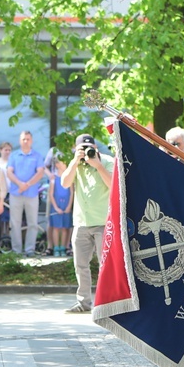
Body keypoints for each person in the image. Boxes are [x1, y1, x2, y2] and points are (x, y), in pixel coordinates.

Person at [60, 134, 113, 313]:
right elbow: (65, 183)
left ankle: (106, 302)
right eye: (82, 148)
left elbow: (114, 185)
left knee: (105, 265)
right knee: (80, 264)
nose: (87, 151)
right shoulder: (76, 164)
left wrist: (97, 165)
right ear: (76, 149)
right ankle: (83, 303)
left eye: (90, 147)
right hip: (81, 222)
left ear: (96, 147)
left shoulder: (105, 161)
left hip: (103, 222)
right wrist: (75, 162)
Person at [7, 131, 45, 256]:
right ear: (20, 140)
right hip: (16, 193)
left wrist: (27, 185)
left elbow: (40, 172)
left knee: (32, 223)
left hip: (32, 194)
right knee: (15, 223)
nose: (25, 141)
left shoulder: (37, 156)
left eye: (28, 139)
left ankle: (30, 249)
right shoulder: (13, 155)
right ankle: (16, 250)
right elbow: (9, 172)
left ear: (32, 140)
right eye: (23, 139)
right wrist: (20, 184)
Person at [48, 156, 73, 256]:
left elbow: (71, 192)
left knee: (64, 228)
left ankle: (63, 247)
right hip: (56, 205)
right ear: (57, 165)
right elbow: (51, 194)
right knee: (56, 227)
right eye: (63, 162)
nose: (65, 164)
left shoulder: (69, 177)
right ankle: (56, 248)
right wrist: (55, 207)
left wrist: (69, 206)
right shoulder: (54, 178)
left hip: (66, 205)